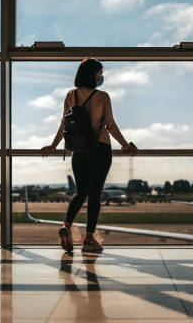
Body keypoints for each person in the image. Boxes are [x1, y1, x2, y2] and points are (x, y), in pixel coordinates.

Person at [41, 58, 138, 252]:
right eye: (99, 73)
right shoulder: (103, 96)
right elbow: (110, 126)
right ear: (93, 74)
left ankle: (66, 226)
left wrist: (53, 146)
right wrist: (126, 145)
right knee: (95, 194)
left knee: (80, 192)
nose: (101, 76)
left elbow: (64, 124)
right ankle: (89, 239)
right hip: (100, 148)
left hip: (79, 151)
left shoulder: (71, 94)